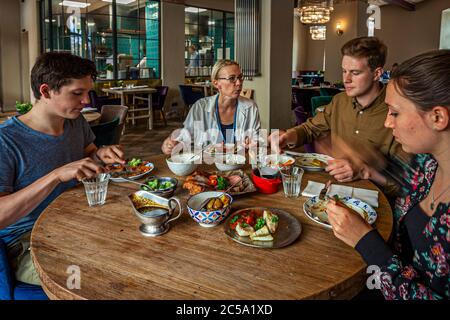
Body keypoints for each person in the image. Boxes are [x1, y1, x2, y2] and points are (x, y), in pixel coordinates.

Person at [326, 50, 450, 300]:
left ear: (437, 117)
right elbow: (394, 175)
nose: (387, 122)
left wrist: (365, 240)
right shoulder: (428, 163)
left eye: (394, 112)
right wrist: (362, 166)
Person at [0, 52, 125, 285]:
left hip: (75, 222)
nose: (87, 101)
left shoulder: (75, 121)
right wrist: (56, 175)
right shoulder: (6, 140)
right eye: (77, 93)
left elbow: (90, 155)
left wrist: (101, 155)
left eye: (88, 92)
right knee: (98, 277)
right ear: (45, 91)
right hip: (27, 243)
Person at [269, 37, 405, 184]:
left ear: (377, 73)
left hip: (377, 197)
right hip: (333, 186)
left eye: (355, 72)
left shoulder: (396, 111)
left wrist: (364, 169)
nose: (346, 79)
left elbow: (404, 183)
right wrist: (288, 136)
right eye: (344, 71)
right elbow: (310, 129)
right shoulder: (339, 101)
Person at [162, 59, 261, 155]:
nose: (239, 83)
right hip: (208, 167)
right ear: (216, 83)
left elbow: (256, 140)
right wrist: (172, 142)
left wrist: (255, 142)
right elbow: (186, 135)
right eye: (232, 78)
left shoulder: (250, 107)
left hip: (240, 164)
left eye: (240, 77)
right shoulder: (200, 108)